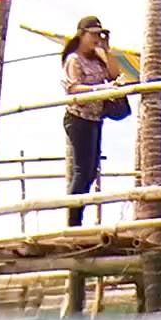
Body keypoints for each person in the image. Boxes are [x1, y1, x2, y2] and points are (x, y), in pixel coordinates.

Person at [61, 16, 121, 227]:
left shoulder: (98, 58)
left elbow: (115, 75)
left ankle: (77, 217)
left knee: (91, 170)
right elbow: (72, 88)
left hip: (95, 119)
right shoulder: (74, 59)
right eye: (93, 34)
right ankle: (73, 222)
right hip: (78, 118)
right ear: (82, 35)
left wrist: (107, 49)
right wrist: (99, 89)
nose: (96, 38)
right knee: (82, 170)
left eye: (99, 34)